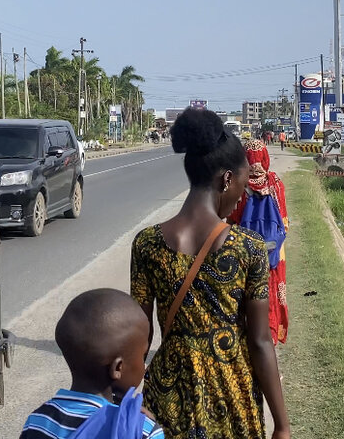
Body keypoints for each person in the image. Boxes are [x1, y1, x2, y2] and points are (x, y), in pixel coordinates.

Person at [130, 108, 290, 439]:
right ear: (226, 179)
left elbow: (139, 338)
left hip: (166, 397)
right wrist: (282, 425)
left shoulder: (147, 244)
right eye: (242, 185)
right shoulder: (248, 248)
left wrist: (126, 401)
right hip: (232, 398)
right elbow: (260, 341)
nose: (241, 196)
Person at [20, 289, 164, 439]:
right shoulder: (142, 430)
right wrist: (138, 423)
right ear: (117, 368)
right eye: (142, 356)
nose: (143, 366)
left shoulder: (38, 420)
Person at [228, 139, 290, 345]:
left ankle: (247, 338)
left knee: (245, 294)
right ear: (265, 158)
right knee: (271, 291)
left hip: (244, 251)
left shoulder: (239, 183)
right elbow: (284, 223)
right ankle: (270, 335)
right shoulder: (275, 183)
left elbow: (231, 220)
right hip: (272, 251)